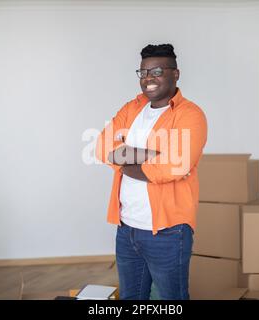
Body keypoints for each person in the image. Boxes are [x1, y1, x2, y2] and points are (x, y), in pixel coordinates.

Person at [95, 44, 207, 300]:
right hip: (127, 228)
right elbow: (103, 147)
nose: (148, 79)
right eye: (143, 72)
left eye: (157, 71)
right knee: (130, 299)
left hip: (168, 232)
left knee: (172, 300)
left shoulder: (190, 115)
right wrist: (152, 156)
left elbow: (174, 167)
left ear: (175, 74)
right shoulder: (132, 108)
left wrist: (124, 158)